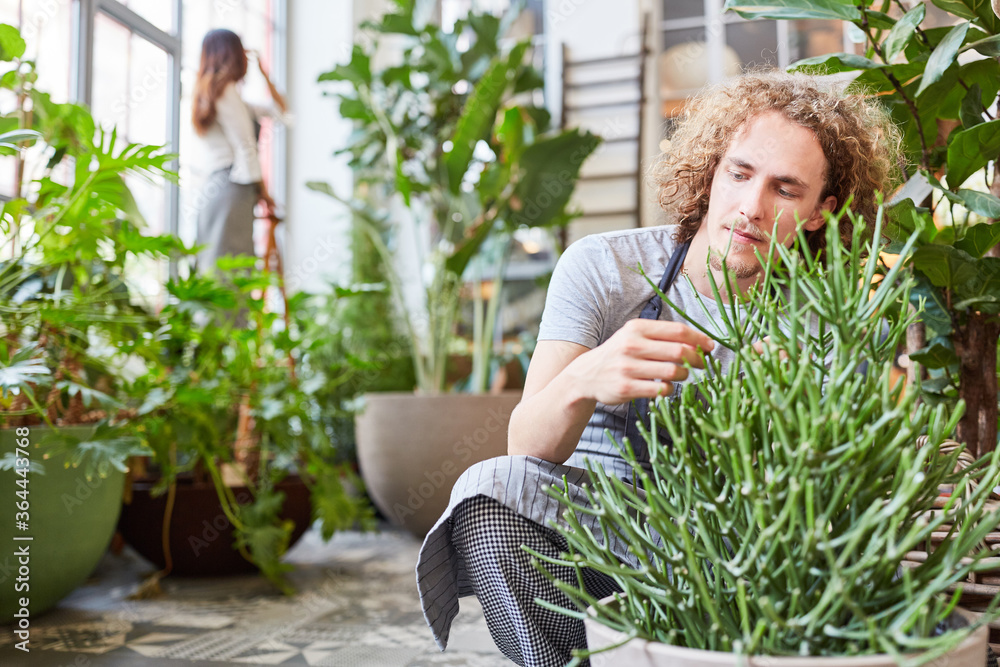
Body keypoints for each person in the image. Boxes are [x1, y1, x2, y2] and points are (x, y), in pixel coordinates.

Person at [415, 71, 901, 667]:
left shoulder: (831, 319)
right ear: (711, 171)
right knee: (488, 491)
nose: (751, 207)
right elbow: (525, 448)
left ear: (821, 212)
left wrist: (788, 418)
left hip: (734, 552)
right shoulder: (605, 267)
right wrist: (586, 378)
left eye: (785, 189)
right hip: (598, 538)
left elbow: (835, 496)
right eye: (739, 174)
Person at [190, 28, 287, 272]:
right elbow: (245, 146)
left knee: (214, 267)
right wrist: (263, 192)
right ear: (231, 53)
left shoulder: (214, 92)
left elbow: (281, 111)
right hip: (233, 185)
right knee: (233, 272)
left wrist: (264, 74)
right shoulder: (226, 90)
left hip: (215, 186)